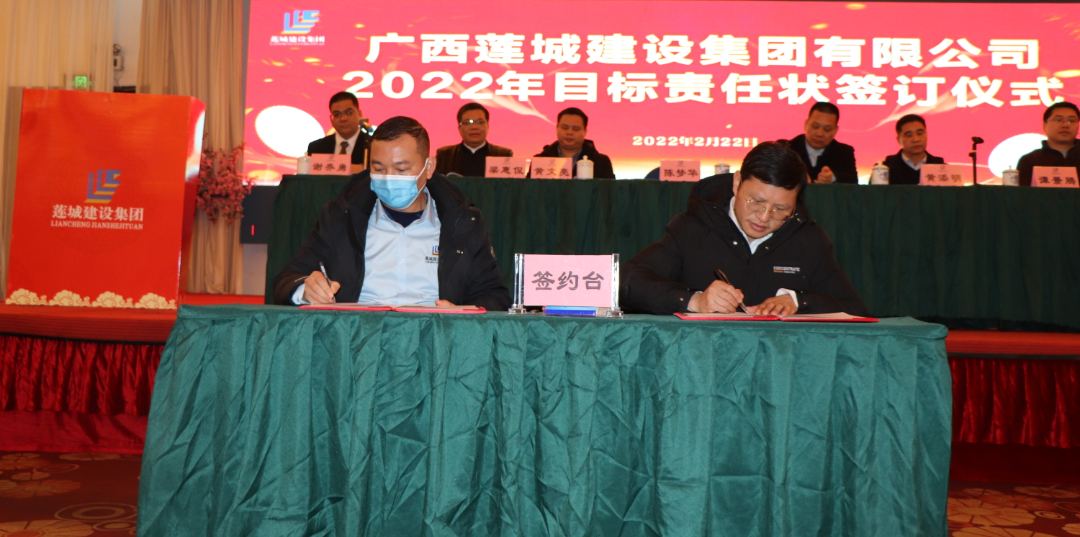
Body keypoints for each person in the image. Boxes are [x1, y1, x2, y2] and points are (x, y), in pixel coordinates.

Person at [274, 116, 511, 310]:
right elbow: (288, 279)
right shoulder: (341, 216)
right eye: (379, 168)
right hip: (358, 335)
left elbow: (494, 295)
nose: (388, 178)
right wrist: (305, 290)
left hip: (434, 337)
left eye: (401, 169)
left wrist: (463, 312)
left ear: (429, 167)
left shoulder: (464, 222)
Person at [621, 140, 869, 316]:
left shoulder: (809, 240)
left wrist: (799, 301)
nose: (764, 216)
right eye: (756, 201)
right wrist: (694, 300)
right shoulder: (693, 227)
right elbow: (626, 281)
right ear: (737, 182)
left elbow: (855, 309)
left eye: (780, 209)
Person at [434, 103, 514, 177]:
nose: (474, 127)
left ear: (487, 126)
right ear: (459, 128)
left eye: (480, 122)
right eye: (468, 122)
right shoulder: (445, 155)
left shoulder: (503, 155)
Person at [533, 107, 615, 179]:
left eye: (575, 129)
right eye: (565, 128)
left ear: (585, 131)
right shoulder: (540, 161)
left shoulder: (600, 162)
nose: (569, 132)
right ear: (557, 128)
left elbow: (609, 190)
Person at [789, 102, 858, 184]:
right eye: (815, 127)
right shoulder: (788, 149)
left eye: (827, 129)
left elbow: (853, 180)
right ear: (806, 124)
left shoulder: (844, 152)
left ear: (835, 131)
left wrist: (832, 177)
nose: (819, 134)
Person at [1017, 101, 1080, 186]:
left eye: (1071, 121)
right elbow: (1021, 193)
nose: (1065, 125)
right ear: (1044, 125)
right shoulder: (1029, 160)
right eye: (1058, 120)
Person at [306, 91, 371, 171]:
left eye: (348, 113)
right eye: (337, 114)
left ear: (359, 114)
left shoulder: (372, 145)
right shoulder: (316, 148)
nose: (343, 118)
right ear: (331, 119)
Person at [883, 114, 945, 185]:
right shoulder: (885, 170)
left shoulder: (942, 169)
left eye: (920, 133)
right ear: (898, 140)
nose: (916, 139)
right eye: (909, 135)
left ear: (926, 135)